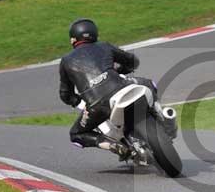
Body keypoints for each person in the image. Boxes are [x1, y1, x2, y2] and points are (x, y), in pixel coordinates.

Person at [59, 18, 156, 158]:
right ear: (95, 34)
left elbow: (65, 94)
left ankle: (111, 144)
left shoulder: (66, 61)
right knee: (149, 84)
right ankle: (162, 115)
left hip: (96, 105)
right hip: (120, 87)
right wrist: (123, 70)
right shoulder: (104, 46)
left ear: (73, 39)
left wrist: (78, 101)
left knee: (76, 134)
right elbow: (132, 60)